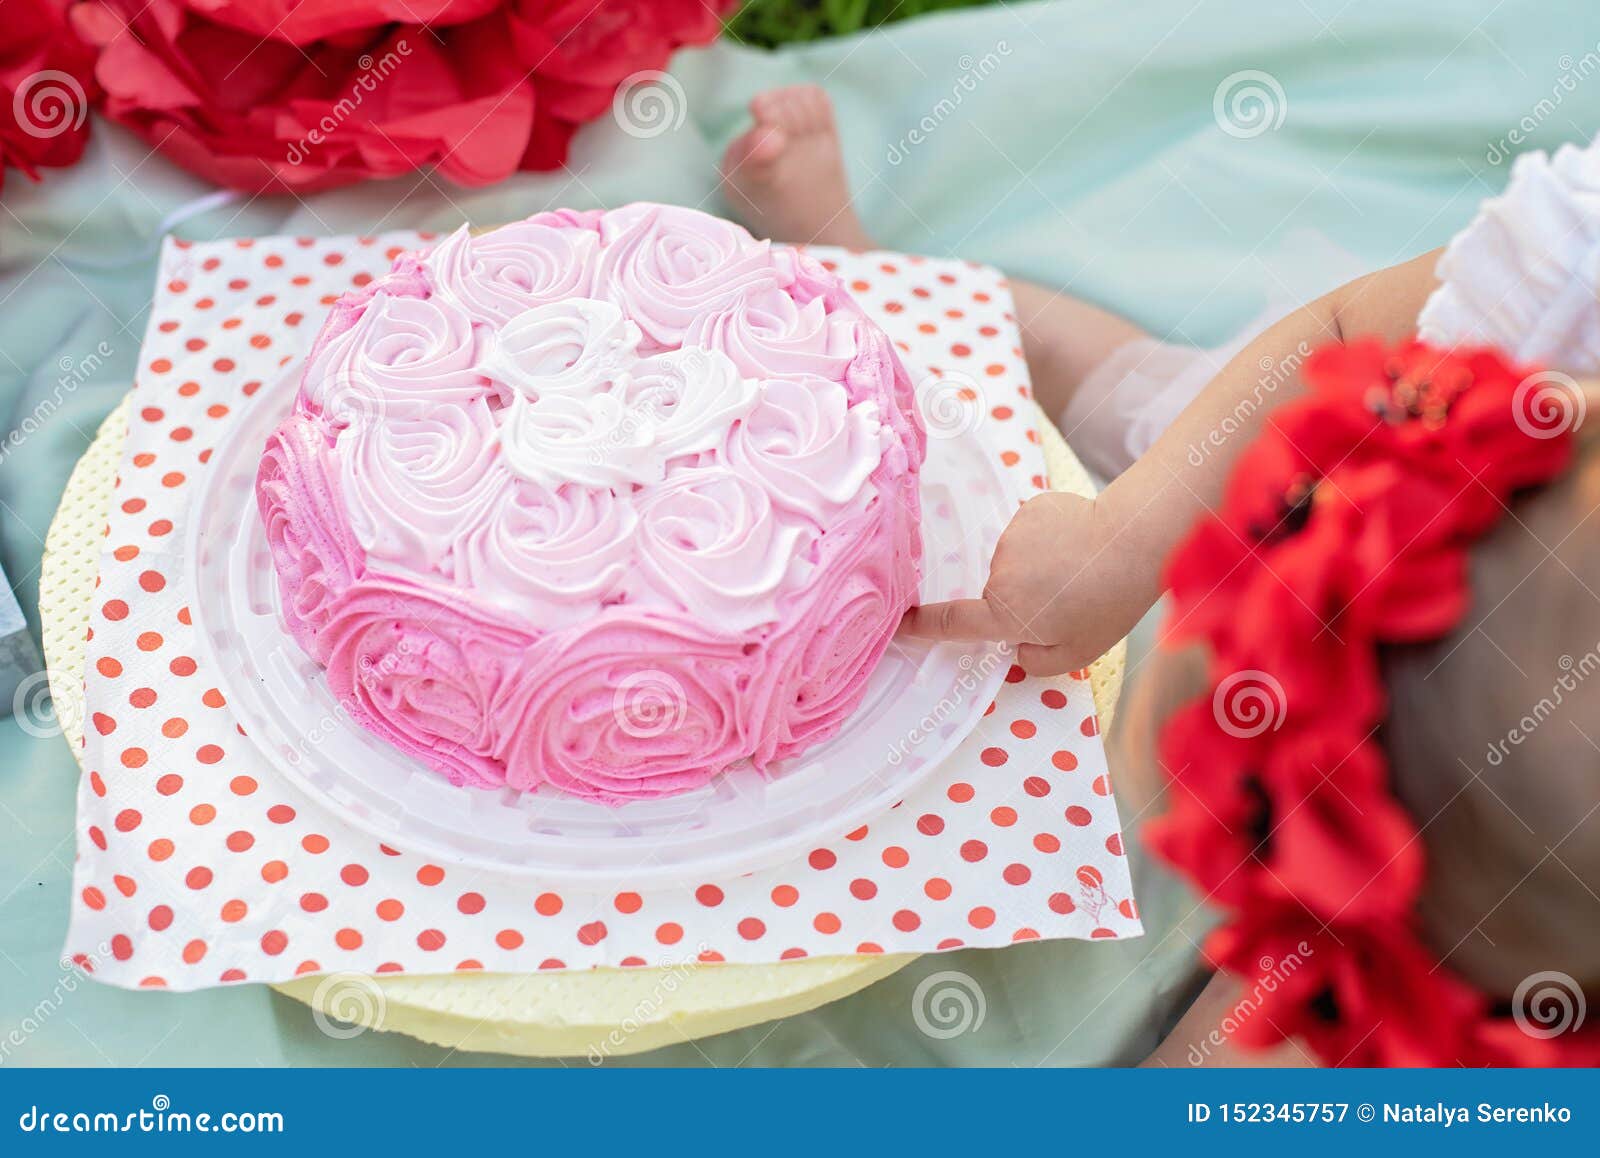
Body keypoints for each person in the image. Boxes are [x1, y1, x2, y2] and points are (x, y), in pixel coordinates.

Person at [722, 85, 1600, 1065]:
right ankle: (860, 281)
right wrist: (1124, 539)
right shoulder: (1571, 288)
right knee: (1081, 365)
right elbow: (1350, 328)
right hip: (1315, 457)